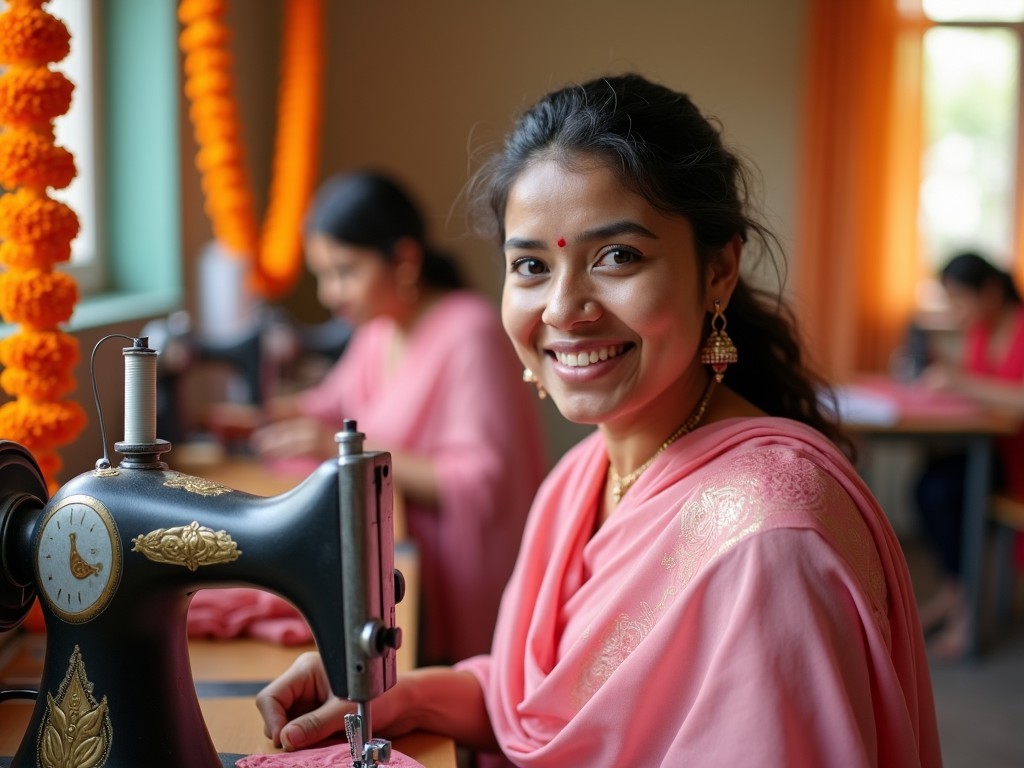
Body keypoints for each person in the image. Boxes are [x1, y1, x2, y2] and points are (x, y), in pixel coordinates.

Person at [253, 75, 942, 766]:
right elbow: (542, 707)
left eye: (618, 257)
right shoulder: (583, 477)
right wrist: (395, 693)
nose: (560, 308)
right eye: (530, 265)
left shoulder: (770, 541)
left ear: (718, 272)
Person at [217, 170, 548, 666]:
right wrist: (261, 418)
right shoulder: (380, 327)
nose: (330, 294)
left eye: (345, 272)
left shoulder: (468, 331)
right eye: (323, 275)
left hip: (459, 575)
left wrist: (339, 449)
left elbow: (481, 482)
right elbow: (332, 404)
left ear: (405, 259)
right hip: (401, 548)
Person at [913, 250, 1024, 659]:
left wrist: (960, 382)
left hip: (1016, 461)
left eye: (960, 300)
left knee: (943, 493)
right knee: (930, 484)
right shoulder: (981, 330)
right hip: (996, 450)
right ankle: (959, 592)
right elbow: (982, 389)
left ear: (991, 292)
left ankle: (965, 602)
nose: (956, 312)